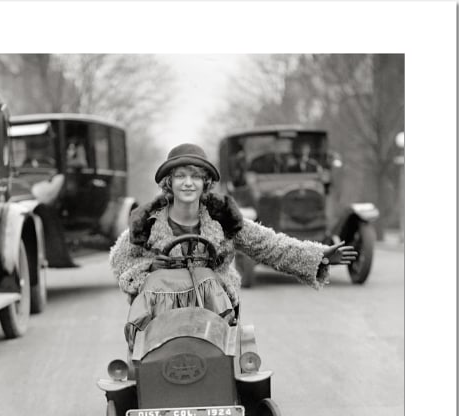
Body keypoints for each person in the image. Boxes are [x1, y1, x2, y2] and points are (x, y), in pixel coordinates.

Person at [109, 143, 357, 347]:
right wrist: (150, 269)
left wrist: (319, 256)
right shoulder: (146, 223)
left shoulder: (223, 218)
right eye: (181, 176)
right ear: (169, 183)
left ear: (206, 183)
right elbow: (120, 262)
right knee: (153, 292)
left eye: (196, 176)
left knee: (210, 283)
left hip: (213, 307)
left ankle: (222, 369)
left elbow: (269, 245)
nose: (188, 183)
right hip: (160, 314)